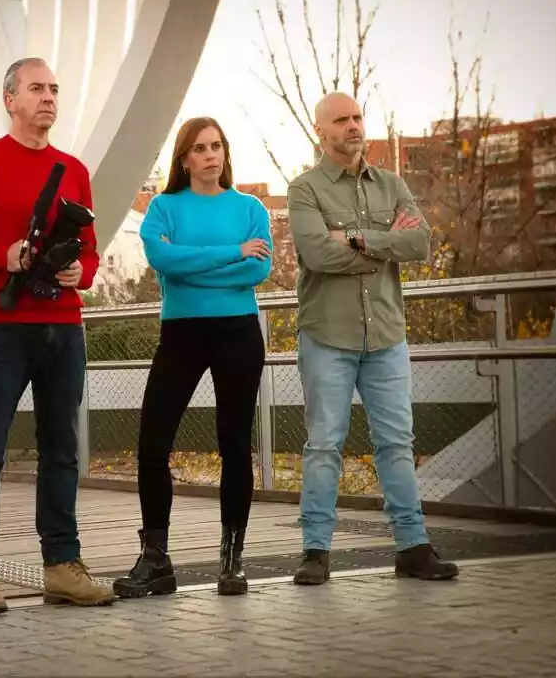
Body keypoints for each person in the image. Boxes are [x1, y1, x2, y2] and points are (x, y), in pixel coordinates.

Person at [0, 56, 116, 615]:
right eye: (37, 89)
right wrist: (1, 258)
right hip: (3, 328)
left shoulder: (74, 169)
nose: (49, 98)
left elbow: (89, 250)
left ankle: (62, 566)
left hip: (64, 326)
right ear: (10, 99)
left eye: (54, 89)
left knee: (63, 449)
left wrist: (83, 271)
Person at [287, 91, 459, 585]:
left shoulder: (392, 185)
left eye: (357, 117)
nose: (353, 127)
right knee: (324, 445)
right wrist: (386, 246)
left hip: (386, 336)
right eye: (341, 121)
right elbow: (318, 255)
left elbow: (420, 242)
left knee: (396, 444)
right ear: (321, 131)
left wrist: (359, 239)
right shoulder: (305, 190)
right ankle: (315, 552)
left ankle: (412, 547)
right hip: (328, 337)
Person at [112, 118, 271, 599]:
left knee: (234, 444)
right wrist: (232, 255)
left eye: (216, 146)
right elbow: (165, 263)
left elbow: (257, 270)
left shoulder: (250, 207)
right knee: (153, 445)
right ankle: (157, 561)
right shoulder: (163, 207)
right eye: (199, 148)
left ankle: (232, 561)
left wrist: (195, 265)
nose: (210, 155)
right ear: (184, 159)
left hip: (238, 333)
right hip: (180, 335)